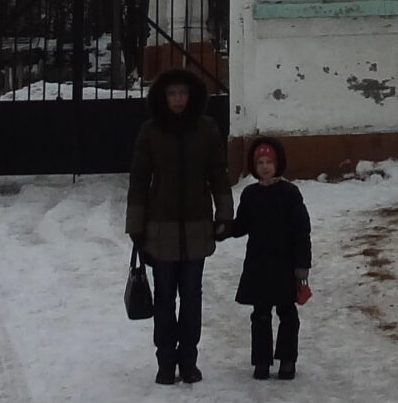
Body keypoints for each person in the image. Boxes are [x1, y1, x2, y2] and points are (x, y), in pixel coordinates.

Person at [127, 68, 230, 384]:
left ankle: (188, 360)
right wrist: (136, 225)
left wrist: (224, 214)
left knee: (192, 296)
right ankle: (165, 361)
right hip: (161, 229)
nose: (178, 99)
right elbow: (139, 180)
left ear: (192, 95)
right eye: (172, 93)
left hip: (198, 227)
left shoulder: (206, 129)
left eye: (183, 93)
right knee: (164, 297)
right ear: (163, 97)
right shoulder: (150, 132)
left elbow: (218, 174)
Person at [229, 136, 311, 380]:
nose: (264, 167)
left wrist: (302, 266)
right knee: (260, 314)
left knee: (287, 313)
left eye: (269, 162)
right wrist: (221, 228)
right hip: (259, 265)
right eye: (260, 162)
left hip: (285, 264)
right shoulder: (250, 194)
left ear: (278, 164)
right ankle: (262, 361)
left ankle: (287, 360)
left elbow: (301, 232)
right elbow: (241, 225)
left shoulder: (290, 194)